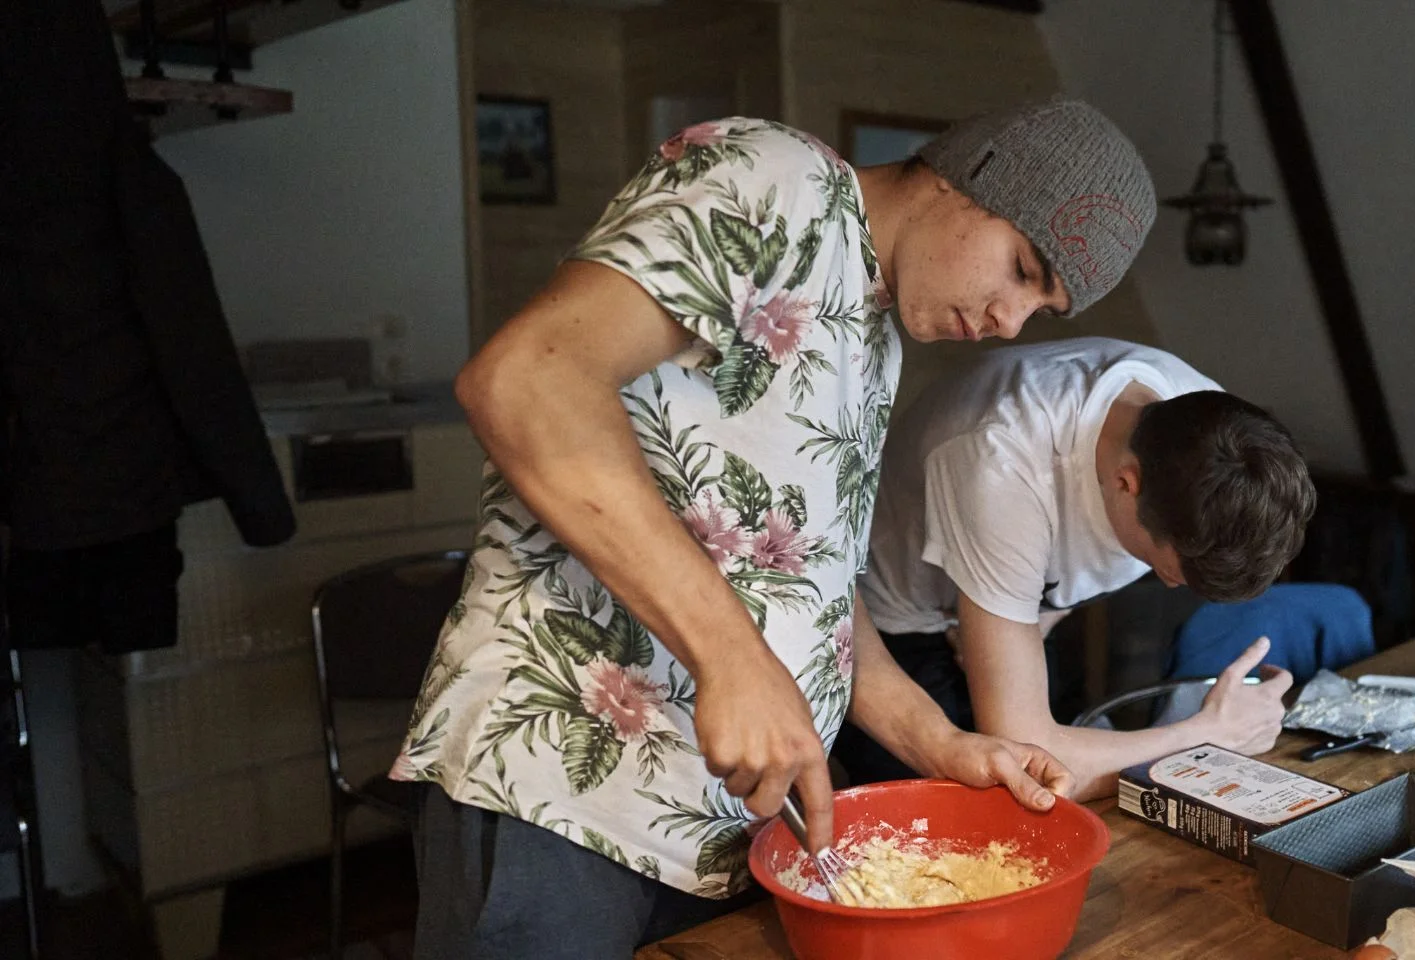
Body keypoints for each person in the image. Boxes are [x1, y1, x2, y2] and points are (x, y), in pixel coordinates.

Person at [391, 98, 1156, 956]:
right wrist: (733, 658)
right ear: (971, 177)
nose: (1009, 323)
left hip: (717, 826)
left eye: (1040, 309)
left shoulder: (875, 334)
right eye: (1020, 268)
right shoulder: (776, 180)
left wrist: (938, 741)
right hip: (563, 789)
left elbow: (811, 588)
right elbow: (527, 378)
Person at [841, 337, 1317, 801]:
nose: (1171, 585)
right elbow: (1033, 762)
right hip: (896, 625)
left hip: (1021, 597)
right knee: (966, 815)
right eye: (1168, 570)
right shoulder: (1005, 464)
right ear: (1125, 483)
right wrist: (1208, 736)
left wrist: (1036, 614)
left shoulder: (1210, 433)